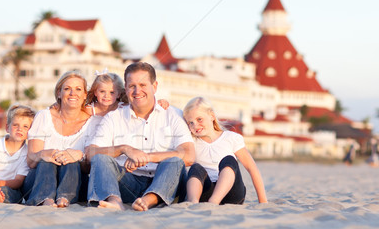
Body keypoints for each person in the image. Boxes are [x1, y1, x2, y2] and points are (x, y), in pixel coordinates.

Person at [86, 62, 195, 211]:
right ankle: (115, 201)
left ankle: (149, 200)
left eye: (143, 85)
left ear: (154, 86)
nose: (137, 91)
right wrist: (124, 149)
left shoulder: (173, 114)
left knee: (175, 161)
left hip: (164, 181)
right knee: (100, 158)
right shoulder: (113, 117)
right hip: (127, 182)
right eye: (132, 86)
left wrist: (147, 157)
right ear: (126, 88)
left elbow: (189, 155)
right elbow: (90, 153)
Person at [23, 70, 93, 207]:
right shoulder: (44, 116)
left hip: (74, 182)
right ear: (59, 93)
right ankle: (45, 199)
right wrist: (44, 154)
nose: (73, 93)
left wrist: (79, 156)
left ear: (85, 95)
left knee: (71, 160)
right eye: (67, 89)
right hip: (39, 180)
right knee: (46, 161)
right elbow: (31, 161)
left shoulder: (92, 122)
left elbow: (90, 168)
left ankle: (65, 198)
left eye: (78, 89)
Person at [182, 96, 267, 204]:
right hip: (205, 192)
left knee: (229, 160)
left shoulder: (231, 138)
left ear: (212, 116)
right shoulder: (191, 142)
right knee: (195, 168)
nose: (195, 125)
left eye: (199, 119)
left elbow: (252, 168)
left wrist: (263, 200)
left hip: (232, 193)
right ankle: (193, 201)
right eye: (190, 123)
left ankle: (215, 201)